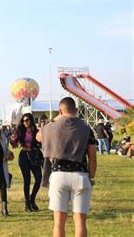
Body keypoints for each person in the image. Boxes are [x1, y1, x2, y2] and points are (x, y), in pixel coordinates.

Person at [37, 97, 97, 237]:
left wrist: (55, 119)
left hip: (58, 175)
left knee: (58, 222)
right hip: (80, 175)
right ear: (76, 110)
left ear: (60, 110)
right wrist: (92, 176)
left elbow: (38, 137)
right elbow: (92, 158)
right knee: (80, 221)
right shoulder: (86, 129)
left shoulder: (51, 128)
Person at [10, 113, 42, 212]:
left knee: (39, 179)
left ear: (31, 120)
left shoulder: (36, 131)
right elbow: (14, 145)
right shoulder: (20, 131)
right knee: (27, 181)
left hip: (34, 155)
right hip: (24, 156)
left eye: (27, 120)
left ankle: (32, 199)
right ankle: (27, 204)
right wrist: (13, 139)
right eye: (23, 121)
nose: (25, 122)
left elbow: (41, 142)